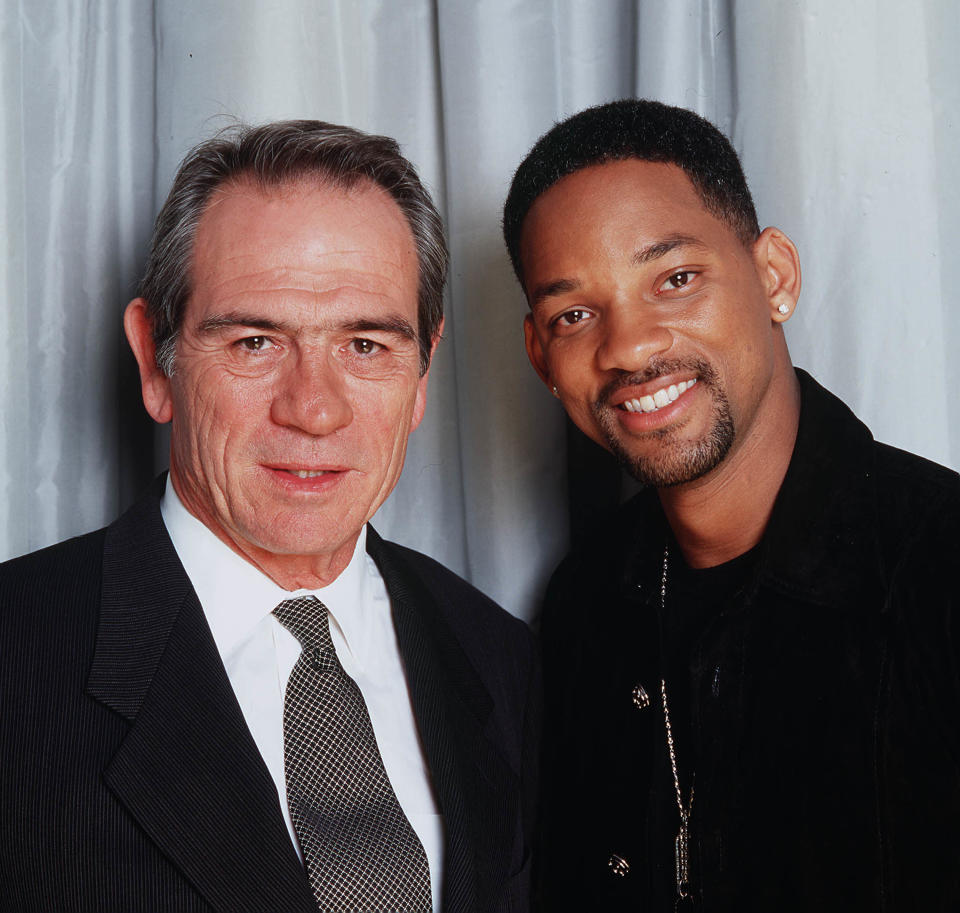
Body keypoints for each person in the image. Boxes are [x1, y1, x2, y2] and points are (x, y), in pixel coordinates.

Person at [0, 120, 538, 913]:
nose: (314, 409)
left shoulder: (505, 662)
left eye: (365, 345)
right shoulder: (17, 656)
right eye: (255, 341)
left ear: (423, 370)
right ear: (156, 361)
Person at [502, 99, 960, 912]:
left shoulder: (937, 566)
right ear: (543, 355)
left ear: (773, 276)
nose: (631, 347)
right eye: (575, 314)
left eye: (675, 279)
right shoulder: (582, 608)